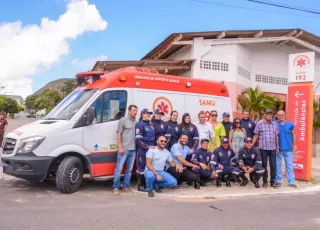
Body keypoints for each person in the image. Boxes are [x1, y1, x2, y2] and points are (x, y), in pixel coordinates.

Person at [112, 105, 138, 195]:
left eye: (136, 111)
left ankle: (126, 186)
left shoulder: (136, 122)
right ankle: (115, 187)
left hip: (133, 149)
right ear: (129, 111)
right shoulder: (123, 120)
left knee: (129, 170)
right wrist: (120, 147)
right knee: (118, 169)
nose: (135, 112)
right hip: (124, 148)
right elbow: (119, 134)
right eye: (133, 110)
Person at [253, 109, 279, 188]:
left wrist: (277, 146)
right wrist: (252, 145)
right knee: (264, 165)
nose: (269, 115)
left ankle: (272, 181)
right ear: (264, 115)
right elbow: (256, 135)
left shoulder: (274, 124)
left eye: (270, 114)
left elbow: (276, 136)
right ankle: (265, 181)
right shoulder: (260, 124)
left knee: (273, 165)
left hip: (272, 148)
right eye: (267, 114)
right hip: (263, 148)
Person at [275, 110, 297, 189]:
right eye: (279, 115)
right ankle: (278, 181)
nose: (281, 116)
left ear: (285, 115)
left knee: (289, 166)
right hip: (278, 149)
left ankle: (291, 182)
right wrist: (277, 146)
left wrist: (295, 145)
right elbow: (275, 136)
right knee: (278, 165)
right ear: (277, 116)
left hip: (288, 149)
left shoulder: (290, 124)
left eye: (282, 115)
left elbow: (294, 134)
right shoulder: (275, 124)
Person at [135, 108, 155, 191]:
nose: (148, 115)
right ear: (142, 114)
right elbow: (138, 140)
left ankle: (148, 184)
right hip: (143, 150)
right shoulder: (140, 124)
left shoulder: (150, 124)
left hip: (151, 150)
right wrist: (147, 146)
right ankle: (140, 186)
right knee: (141, 168)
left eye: (149, 114)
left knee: (149, 167)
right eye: (147, 114)